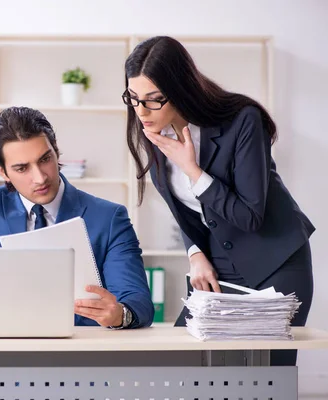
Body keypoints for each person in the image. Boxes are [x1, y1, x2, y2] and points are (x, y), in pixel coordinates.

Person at [123, 36, 315, 364]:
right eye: (134, 98)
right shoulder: (154, 126)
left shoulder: (242, 120)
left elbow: (250, 216)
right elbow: (183, 207)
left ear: (181, 90)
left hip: (276, 260)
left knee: (269, 375)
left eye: (154, 99)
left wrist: (193, 170)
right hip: (219, 266)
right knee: (183, 364)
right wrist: (195, 252)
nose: (142, 111)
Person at [0, 106, 154, 329]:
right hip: (0, 361)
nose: (40, 177)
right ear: (2, 171)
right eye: (21, 168)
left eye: (45, 159)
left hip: (79, 362)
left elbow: (138, 302)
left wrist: (120, 314)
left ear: (56, 152)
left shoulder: (108, 217)